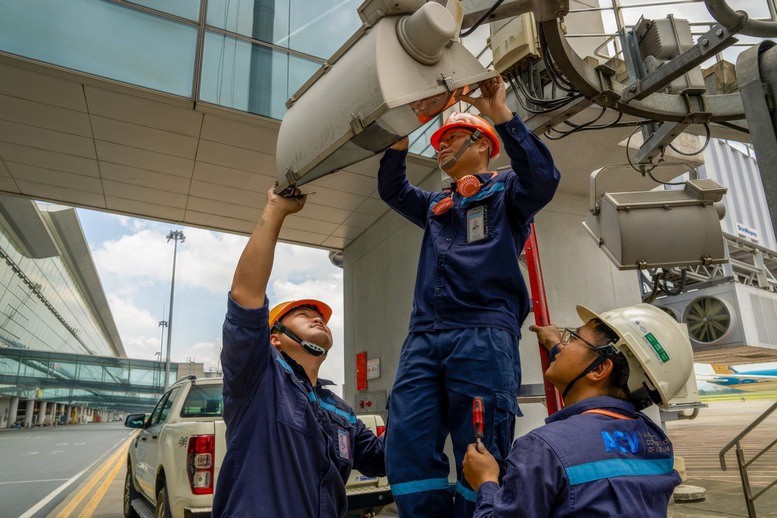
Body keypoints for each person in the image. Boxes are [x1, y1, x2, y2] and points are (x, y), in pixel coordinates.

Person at [377, 74, 561, 517]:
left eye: (454, 138)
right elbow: (392, 190)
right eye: (439, 141)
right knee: (406, 443)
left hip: (483, 333)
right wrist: (403, 128)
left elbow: (543, 178)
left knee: (480, 450)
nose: (441, 147)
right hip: (424, 337)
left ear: (483, 146)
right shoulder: (436, 205)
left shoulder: (507, 193)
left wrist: (498, 108)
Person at [212, 186, 386, 517]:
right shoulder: (258, 378)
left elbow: (382, 458)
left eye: (320, 316)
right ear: (274, 338)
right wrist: (275, 209)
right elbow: (245, 295)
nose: (318, 318)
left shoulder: (341, 411)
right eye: (303, 315)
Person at [463, 303, 692, 517]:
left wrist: (486, 482)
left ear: (600, 368)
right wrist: (555, 347)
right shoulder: (657, 443)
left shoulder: (541, 449)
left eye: (573, 338)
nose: (562, 345)